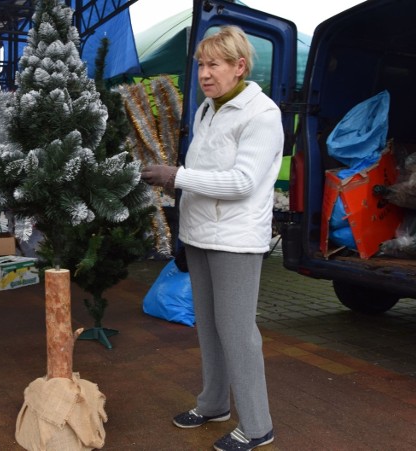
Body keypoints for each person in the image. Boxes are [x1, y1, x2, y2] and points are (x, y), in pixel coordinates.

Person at [141, 25, 283, 451]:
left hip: (236, 240)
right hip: (200, 233)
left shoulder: (262, 115)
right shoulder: (207, 109)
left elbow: (242, 182)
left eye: (214, 64)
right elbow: (209, 171)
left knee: (238, 332)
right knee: (209, 326)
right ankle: (213, 403)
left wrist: (178, 176)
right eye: (201, 64)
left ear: (239, 67)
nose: (205, 73)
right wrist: (173, 185)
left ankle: (258, 426)